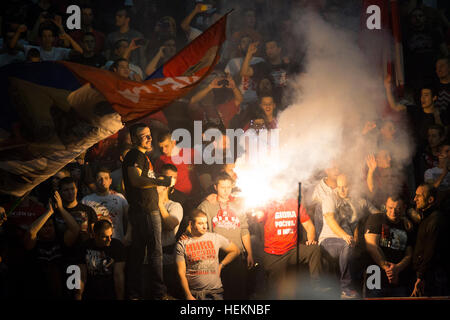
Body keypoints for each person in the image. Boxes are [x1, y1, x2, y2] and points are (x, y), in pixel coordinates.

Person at [121, 122, 173, 300]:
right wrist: (162, 181)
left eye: (150, 134)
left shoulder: (142, 156)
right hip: (146, 211)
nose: (150, 138)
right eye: (144, 136)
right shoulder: (135, 155)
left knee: (138, 254)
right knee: (154, 254)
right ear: (134, 139)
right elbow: (135, 180)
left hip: (144, 211)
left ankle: (135, 294)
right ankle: (158, 294)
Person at [319, 174, 380, 299]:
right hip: (328, 240)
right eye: (339, 187)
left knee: (366, 251)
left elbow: (378, 214)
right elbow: (330, 219)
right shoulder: (330, 198)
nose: (341, 190)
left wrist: (404, 217)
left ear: (351, 186)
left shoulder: (359, 201)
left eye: (345, 187)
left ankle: (372, 292)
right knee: (347, 244)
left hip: (349, 241)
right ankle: (346, 288)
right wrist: (345, 235)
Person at [253, 197, 327, 299]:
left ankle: (317, 286)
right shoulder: (267, 204)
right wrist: (258, 211)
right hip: (273, 254)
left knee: (314, 249)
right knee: (277, 293)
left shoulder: (295, 203)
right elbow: (258, 217)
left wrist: (310, 239)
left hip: (292, 250)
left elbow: (309, 226)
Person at [197, 173, 254, 299]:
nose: (226, 190)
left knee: (238, 293)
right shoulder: (207, 205)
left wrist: (249, 253)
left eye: (229, 187)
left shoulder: (238, 205)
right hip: (216, 256)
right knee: (218, 294)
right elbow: (196, 226)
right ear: (215, 187)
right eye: (223, 187)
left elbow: (244, 230)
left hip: (238, 255)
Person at [23, 191, 80, 299]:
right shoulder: (35, 243)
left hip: (63, 290)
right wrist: (49, 213)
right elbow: (31, 232)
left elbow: (75, 229)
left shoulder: (60, 240)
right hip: (39, 290)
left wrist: (61, 209)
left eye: (50, 226)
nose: (48, 229)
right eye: (44, 226)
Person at [175, 209, 240, 300]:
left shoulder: (215, 238)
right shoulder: (182, 243)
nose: (205, 226)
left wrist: (221, 265)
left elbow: (235, 250)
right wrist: (188, 295)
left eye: (206, 222)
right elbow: (181, 272)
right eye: (200, 223)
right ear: (191, 224)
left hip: (215, 293)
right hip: (194, 293)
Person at [364, 196, 414, 297]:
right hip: (375, 278)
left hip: (399, 281)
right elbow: (371, 246)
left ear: (404, 208)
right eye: (390, 208)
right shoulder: (377, 218)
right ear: (386, 206)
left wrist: (398, 268)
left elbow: (409, 254)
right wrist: (388, 270)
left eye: (398, 208)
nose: (393, 212)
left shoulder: (407, 225)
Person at [411, 184, 450, 296]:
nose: (415, 199)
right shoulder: (427, 218)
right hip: (428, 275)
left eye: (419, 196)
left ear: (430, 199)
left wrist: (421, 277)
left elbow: (430, 251)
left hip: (433, 277)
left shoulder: (435, 220)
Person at [77, 220, 126, 300]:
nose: (109, 239)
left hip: (110, 293)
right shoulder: (85, 247)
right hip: (90, 293)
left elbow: (118, 276)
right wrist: (78, 295)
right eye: (105, 237)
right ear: (95, 235)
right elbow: (81, 276)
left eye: (111, 235)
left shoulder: (117, 246)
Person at [81, 167, 130, 244]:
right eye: (99, 178)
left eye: (106, 178)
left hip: (117, 242)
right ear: (95, 181)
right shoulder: (86, 200)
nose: (103, 181)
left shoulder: (119, 198)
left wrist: (128, 236)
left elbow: (129, 218)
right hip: (95, 244)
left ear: (110, 181)